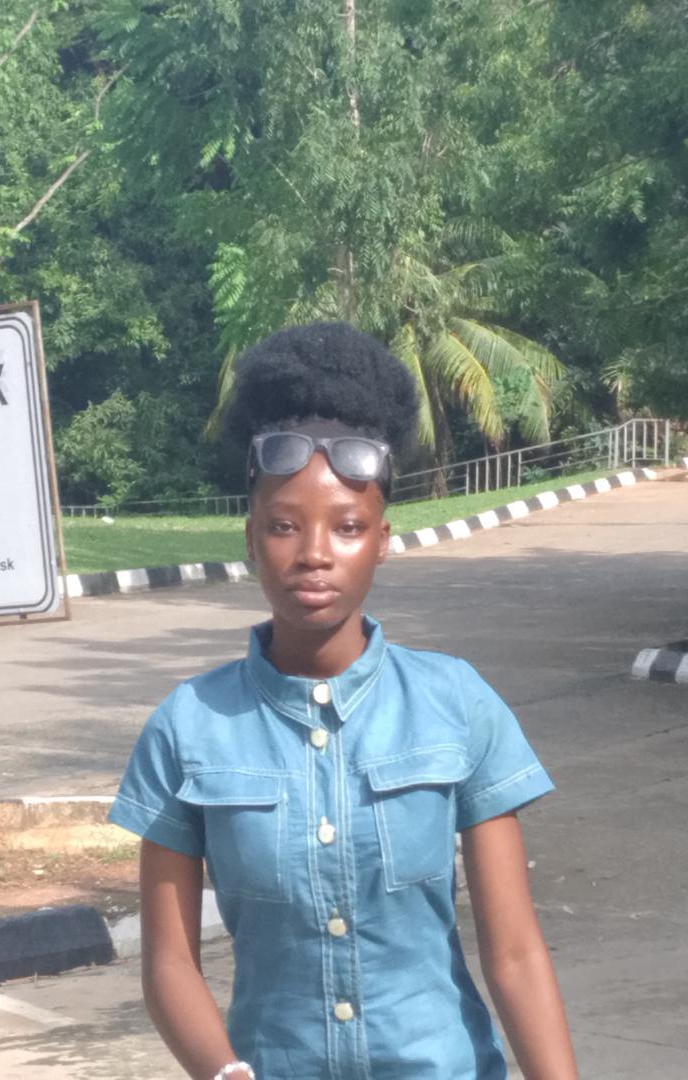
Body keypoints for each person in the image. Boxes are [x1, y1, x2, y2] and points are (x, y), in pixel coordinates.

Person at [109, 322, 578, 1080]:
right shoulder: (187, 728)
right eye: (284, 526)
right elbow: (168, 964)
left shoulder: (455, 704)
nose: (315, 554)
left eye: (348, 527)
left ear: (382, 540)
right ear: (251, 540)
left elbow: (516, 953)